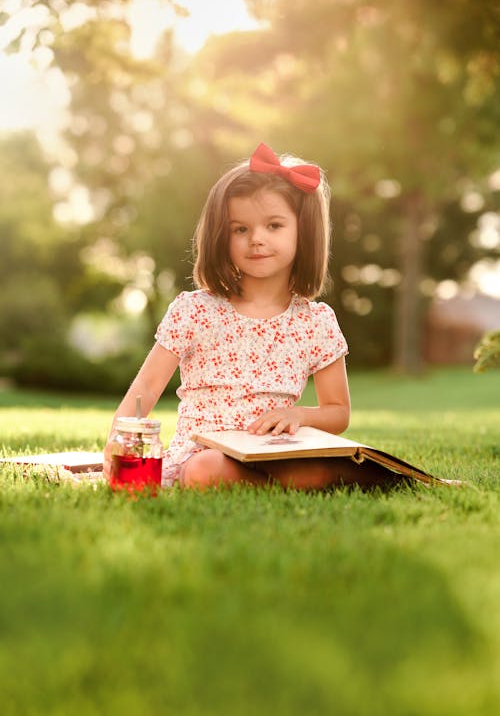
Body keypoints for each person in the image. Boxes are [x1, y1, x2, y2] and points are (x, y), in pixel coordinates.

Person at [103, 142, 392, 490]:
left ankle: (331, 477)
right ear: (221, 236)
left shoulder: (315, 322)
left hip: (276, 454)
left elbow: (337, 412)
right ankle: (309, 482)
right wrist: (119, 439)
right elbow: (147, 386)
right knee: (202, 473)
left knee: (312, 466)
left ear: (304, 231)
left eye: (274, 226)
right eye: (240, 229)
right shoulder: (195, 311)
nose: (256, 239)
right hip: (204, 453)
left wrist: (297, 415)